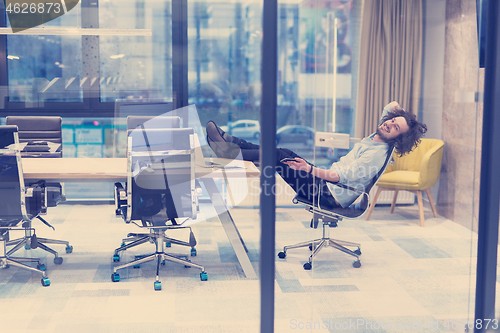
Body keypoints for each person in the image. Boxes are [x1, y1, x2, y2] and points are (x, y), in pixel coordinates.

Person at [206, 101, 427, 209]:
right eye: (391, 120)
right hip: (325, 183)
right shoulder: (377, 136)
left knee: (279, 155)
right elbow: (391, 106)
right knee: (284, 153)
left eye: (395, 128)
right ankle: (231, 144)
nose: (389, 124)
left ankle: (229, 148)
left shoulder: (376, 155)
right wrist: (403, 117)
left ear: (398, 139)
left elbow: (340, 178)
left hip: (328, 194)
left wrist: (309, 169)